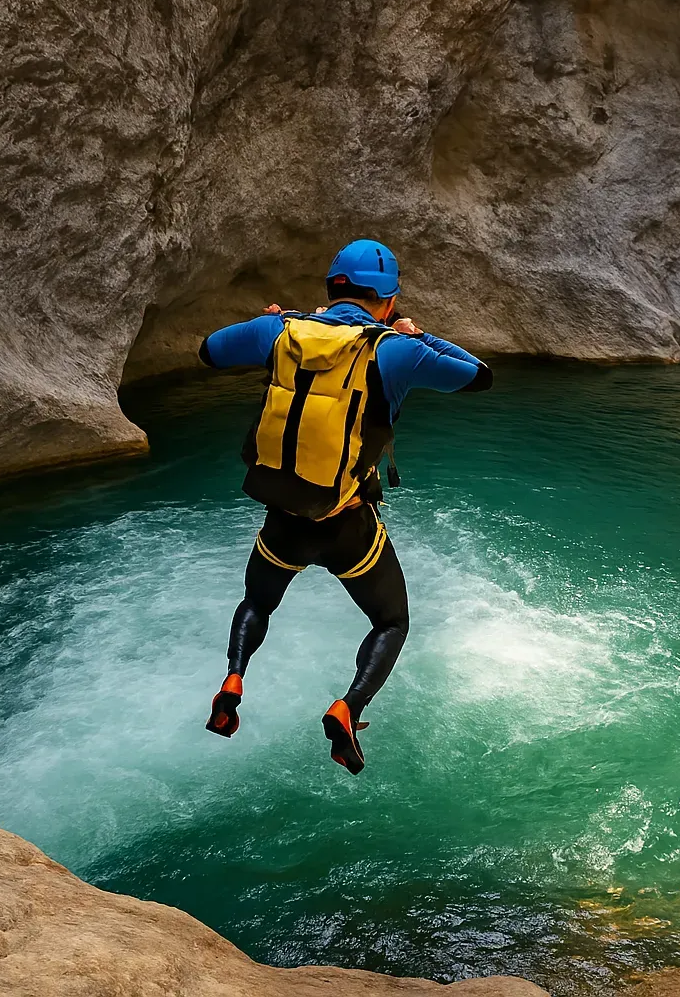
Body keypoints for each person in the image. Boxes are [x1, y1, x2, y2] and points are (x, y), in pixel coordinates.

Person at [196, 239, 492, 774]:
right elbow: (478, 375)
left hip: (282, 519)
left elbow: (209, 349)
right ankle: (347, 708)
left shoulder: (280, 331)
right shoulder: (392, 347)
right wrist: (416, 334)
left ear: (333, 288)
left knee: (257, 603)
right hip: (345, 525)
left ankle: (234, 678)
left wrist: (274, 319)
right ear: (387, 300)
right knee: (391, 621)